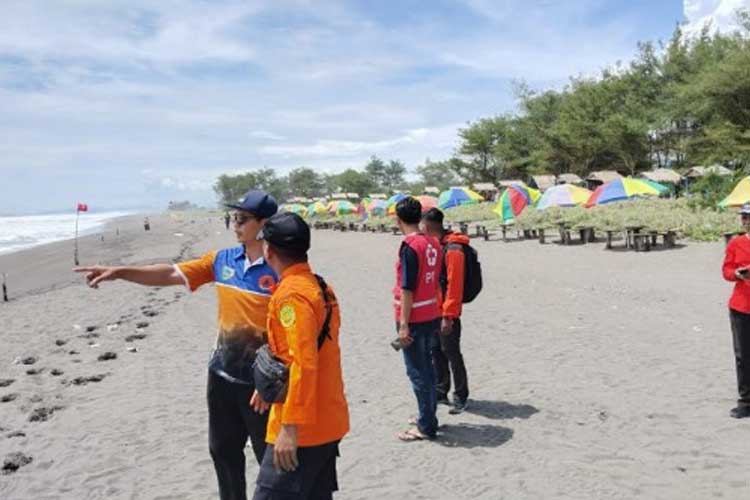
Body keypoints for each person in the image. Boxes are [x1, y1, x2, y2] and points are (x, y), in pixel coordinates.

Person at [75, 190, 279, 500]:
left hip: (259, 384)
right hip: (221, 376)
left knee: (270, 458)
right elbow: (172, 272)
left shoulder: (280, 270)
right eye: (234, 217)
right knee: (222, 452)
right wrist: (121, 272)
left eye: (242, 218)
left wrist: (271, 385)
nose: (234, 224)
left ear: (263, 224)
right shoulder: (222, 260)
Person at [252, 212, 349, 499]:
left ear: (269, 251)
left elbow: (304, 362)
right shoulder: (319, 286)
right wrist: (267, 387)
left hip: (304, 430)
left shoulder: (292, 296)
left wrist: (290, 428)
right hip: (328, 418)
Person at [393, 197, 442, 441]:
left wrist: (403, 325)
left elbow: (407, 288)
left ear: (398, 219)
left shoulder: (409, 246)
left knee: (417, 372)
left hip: (415, 317)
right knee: (428, 369)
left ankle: (426, 425)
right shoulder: (433, 242)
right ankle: (428, 416)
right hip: (432, 313)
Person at [421, 208, 470, 414]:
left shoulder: (453, 249)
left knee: (451, 353)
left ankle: (460, 395)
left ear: (430, 226)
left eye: (422, 225)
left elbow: (455, 285)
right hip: (434, 309)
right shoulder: (437, 246)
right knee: (436, 352)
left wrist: (448, 316)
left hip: (447, 312)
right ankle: (441, 391)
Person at [722, 202, 750, 419]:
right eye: (744, 217)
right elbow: (727, 270)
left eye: (748, 217)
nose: (746, 221)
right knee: (743, 356)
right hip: (741, 306)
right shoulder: (735, 243)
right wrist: (738, 274)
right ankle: (746, 401)